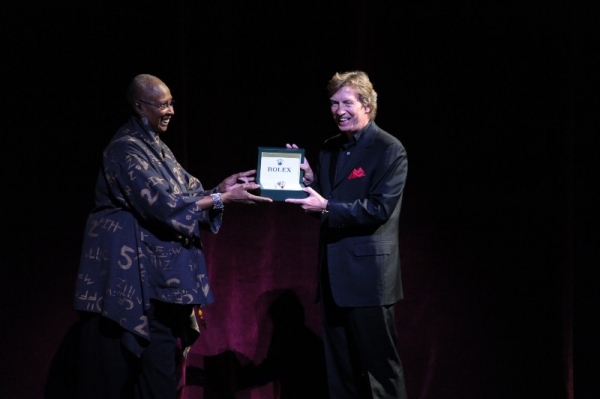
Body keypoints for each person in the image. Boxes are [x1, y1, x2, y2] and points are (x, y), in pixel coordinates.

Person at [70, 73, 272, 398]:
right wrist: (221, 198)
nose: (171, 111)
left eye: (172, 103)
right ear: (139, 106)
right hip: (127, 289)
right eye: (163, 104)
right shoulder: (125, 150)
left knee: (159, 385)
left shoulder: (158, 150)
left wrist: (218, 190)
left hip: (159, 292)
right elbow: (163, 205)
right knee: (111, 383)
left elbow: (186, 193)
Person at [285, 70, 409, 398]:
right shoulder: (329, 149)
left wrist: (325, 204)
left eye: (347, 103)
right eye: (333, 103)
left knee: (380, 370)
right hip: (333, 278)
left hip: (370, 280)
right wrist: (309, 180)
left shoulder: (389, 150)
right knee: (341, 371)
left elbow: (378, 210)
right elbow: (326, 206)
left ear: (367, 105)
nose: (339, 110)